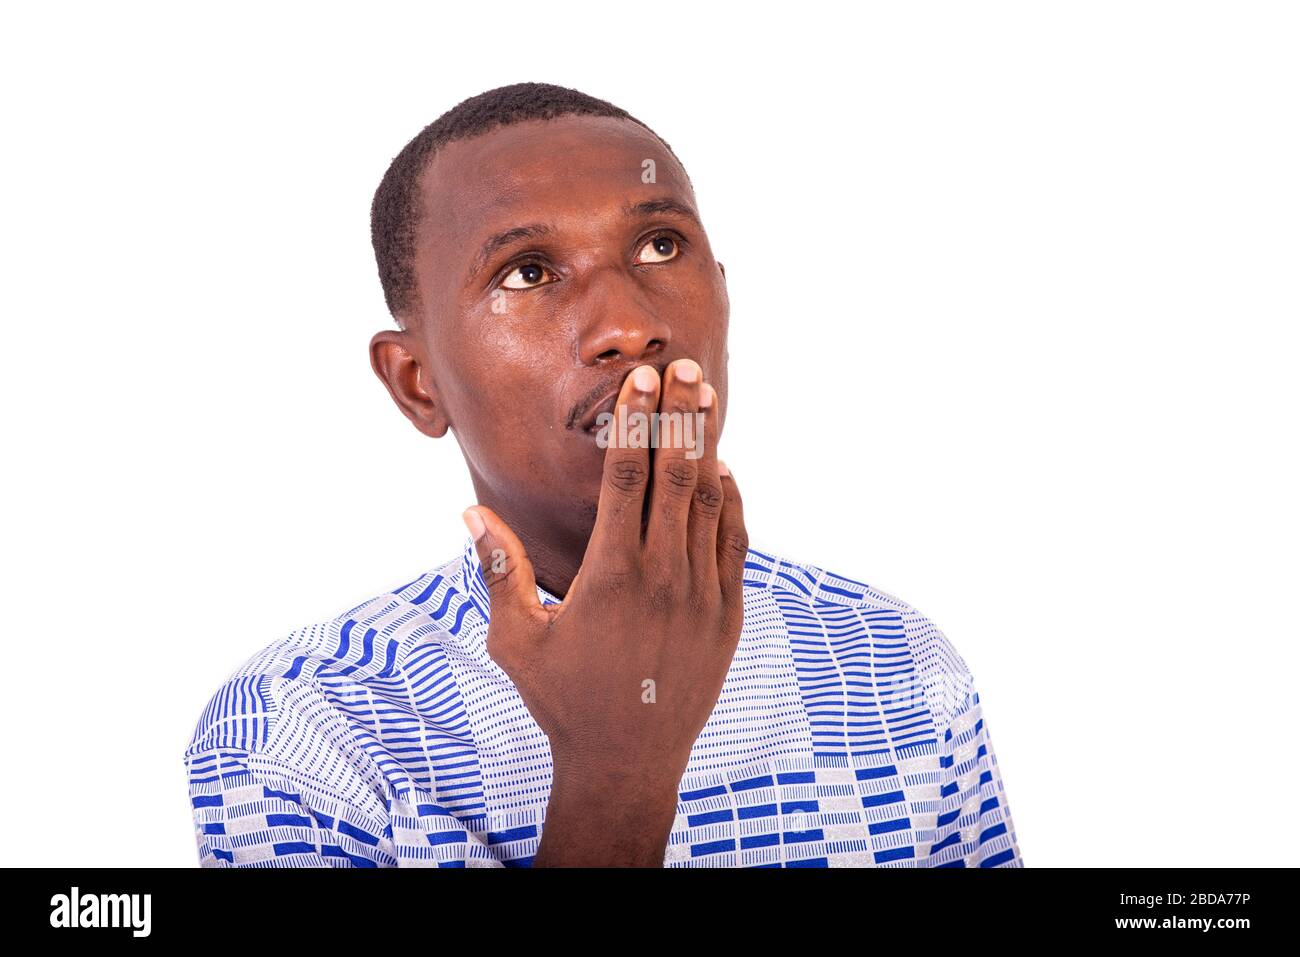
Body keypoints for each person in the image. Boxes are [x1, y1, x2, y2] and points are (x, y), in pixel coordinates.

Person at [183, 82, 1023, 868]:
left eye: (660, 245)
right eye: (528, 271)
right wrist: (618, 765)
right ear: (417, 381)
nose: (629, 325)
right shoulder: (299, 728)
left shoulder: (899, 662)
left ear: (725, 301)